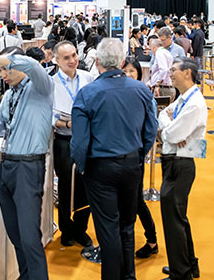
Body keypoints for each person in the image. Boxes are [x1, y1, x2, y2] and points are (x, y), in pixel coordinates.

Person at [70, 38, 157, 280]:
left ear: (97, 62)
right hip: (131, 164)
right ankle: (129, 276)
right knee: (127, 226)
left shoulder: (87, 93)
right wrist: (138, 156)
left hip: (100, 167)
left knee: (108, 229)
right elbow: (151, 130)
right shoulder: (141, 90)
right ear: (121, 62)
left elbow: (79, 140)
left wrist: (82, 166)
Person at [0, 47, 54, 280]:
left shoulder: (41, 87)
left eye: (6, 69)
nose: (2, 75)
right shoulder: (10, 95)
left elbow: (33, 65)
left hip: (28, 167)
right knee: (16, 236)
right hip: (7, 165)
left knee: (30, 238)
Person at [158, 59, 206, 280]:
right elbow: (163, 114)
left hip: (181, 162)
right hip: (175, 159)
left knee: (174, 221)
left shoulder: (194, 103)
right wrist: (170, 125)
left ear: (187, 73)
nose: (170, 73)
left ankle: (181, 273)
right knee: (178, 217)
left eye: (174, 70)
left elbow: (171, 135)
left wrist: (169, 129)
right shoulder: (184, 98)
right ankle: (188, 264)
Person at [51, 41, 94, 248]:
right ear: (57, 60)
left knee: (86, 184)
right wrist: (67, 123)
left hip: (87, 140)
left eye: (74, 55)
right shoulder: (51, 84)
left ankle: (81, 229)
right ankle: (66, 229)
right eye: (66, 58)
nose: (72, 60)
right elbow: (49, 115)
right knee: (66, 186)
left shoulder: (88, 78)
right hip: (64, 140)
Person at [122, 57, 159, 259]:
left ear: (138, 74)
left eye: (131, 71)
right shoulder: (121, 93)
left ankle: (151, 240)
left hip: (135, 157)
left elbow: (151, 128)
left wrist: (141, 152)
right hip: (124, 157)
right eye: (125, 71)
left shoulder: (144, 94)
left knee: (136, 200)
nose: (128, 75)